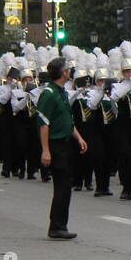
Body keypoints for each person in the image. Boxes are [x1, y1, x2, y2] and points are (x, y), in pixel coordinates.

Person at [37, 56, 87, 239]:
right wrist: (45, 150)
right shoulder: (48, 93)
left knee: (66, 185)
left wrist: (79, 138)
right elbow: (44, 124)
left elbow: (68, 120)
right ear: (62, 72)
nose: (70, 72)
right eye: (67, 69)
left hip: (66, 143)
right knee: (62, 186)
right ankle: (57, 226)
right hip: (55, 144)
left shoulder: (62, 92)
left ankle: (59, 224)